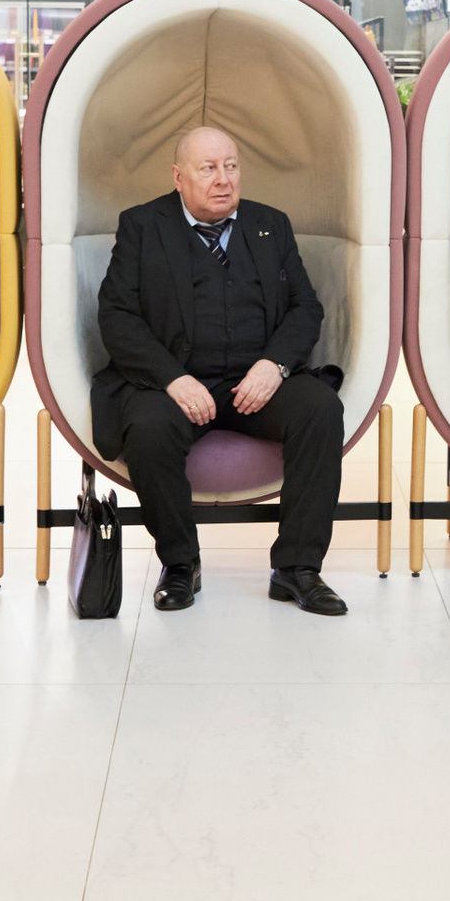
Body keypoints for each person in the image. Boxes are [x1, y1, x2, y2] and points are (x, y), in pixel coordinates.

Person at [91, 126, 348, 616]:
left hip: (255, 383)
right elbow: (117, 316)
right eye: (208, 169)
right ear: (178, 176)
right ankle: (180, 564)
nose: (223, 179)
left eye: (230, 166)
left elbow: (305, 307)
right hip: (175, 383)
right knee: (147, 427)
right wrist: (173, 378)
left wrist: (274, 366)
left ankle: (297, 568)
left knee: (320, 409)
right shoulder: (142, 226)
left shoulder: (271, 224)